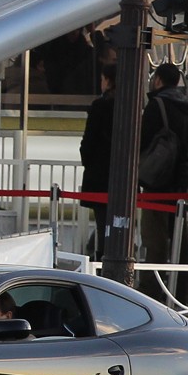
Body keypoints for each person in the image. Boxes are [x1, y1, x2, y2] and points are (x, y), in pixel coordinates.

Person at [138, 63, 188, 301]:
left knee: (154, 238)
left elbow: (143, 141)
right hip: (179, 179)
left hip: (156, 179)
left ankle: (151, 289)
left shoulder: (156, 105)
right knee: (180, 235)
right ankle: (180, 287)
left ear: (158, 80)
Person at [78, 64, 117, 258]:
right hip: (123, 177)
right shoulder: (132, 104)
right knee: (117, 223)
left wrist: (88, 161)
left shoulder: (100, 106)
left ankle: (103, 261)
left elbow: (89, 142)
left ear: (108, 81)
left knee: (103, 223)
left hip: (100, 175)